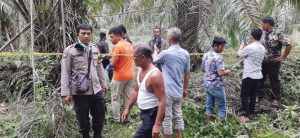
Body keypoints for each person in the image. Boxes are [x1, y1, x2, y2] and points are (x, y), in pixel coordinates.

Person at [61, 24, 107, 138]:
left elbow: (99, 67)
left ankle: (97, 135)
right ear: (78, 34)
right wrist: (66, 93)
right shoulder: (70, 51)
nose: (86, 36)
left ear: (91, 35)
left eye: (88, 33)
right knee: (83, 119)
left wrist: (104, 84)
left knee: (99, 116)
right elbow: (65, 72)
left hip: (96, 90)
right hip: (80, 91)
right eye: (83, 33)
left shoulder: (95, 49)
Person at [122, 43, 166, 138]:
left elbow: (162, 100)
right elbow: (135, 90)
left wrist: (157, 124)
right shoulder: (140, 70)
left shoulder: (155, 75)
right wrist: (127, 108)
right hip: (144, 113)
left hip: (152, 114)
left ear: (142, 57)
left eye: (134, 56)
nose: (132, 59)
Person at [153, 27, 190, 138]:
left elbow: (154, 60)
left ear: (169, 39)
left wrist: (155, 51)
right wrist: (184, 89)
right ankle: (179, 135)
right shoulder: (186, 54)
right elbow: (187, 74)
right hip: (178, 90)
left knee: (167, 117)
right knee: (178, 115)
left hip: (167, 91)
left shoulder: (166, 53)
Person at [259, 16, 292, 106]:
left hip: (274, 62)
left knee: (274, 80)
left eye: (262, 24)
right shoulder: (264, 33)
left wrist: (283, 56)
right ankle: (259, 96)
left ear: (267, 24)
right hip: (263, 61)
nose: (261, 25)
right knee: (260, 78)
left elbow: (288, 45)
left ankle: (275, 99)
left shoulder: (278, 33)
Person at [237, 28, 266, 122]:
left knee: (244, 95)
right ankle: (251, 113)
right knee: (253, 95)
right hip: (258, 75)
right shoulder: (262, 48)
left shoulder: (250, 47)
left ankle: (245, 115)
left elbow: (238, 55)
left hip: (249, 75)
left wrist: (241, 46)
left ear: (252, 36)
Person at [108, 26, 135, 123]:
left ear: (118, 36)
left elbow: (113, 64)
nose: (111, 39)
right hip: (130, 75)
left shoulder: (117, 46)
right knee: (128, 98)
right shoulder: (129, 44)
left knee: (115, 98)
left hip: (119, 77)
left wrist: (108, 61)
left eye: (112, 37)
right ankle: (127, 118)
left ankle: (116, 120)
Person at [201, 37, 230, 122]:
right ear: (215, 46)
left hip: (207, 84)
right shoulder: (219, 57)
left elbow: (202, 69)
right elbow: (220, 73)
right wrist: (227, 72)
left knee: (209, 105)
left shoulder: (205, 55)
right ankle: (222, 126)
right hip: (216, 85)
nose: (223, 49)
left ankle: (209, 123)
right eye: (222, 46)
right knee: (221, 106)